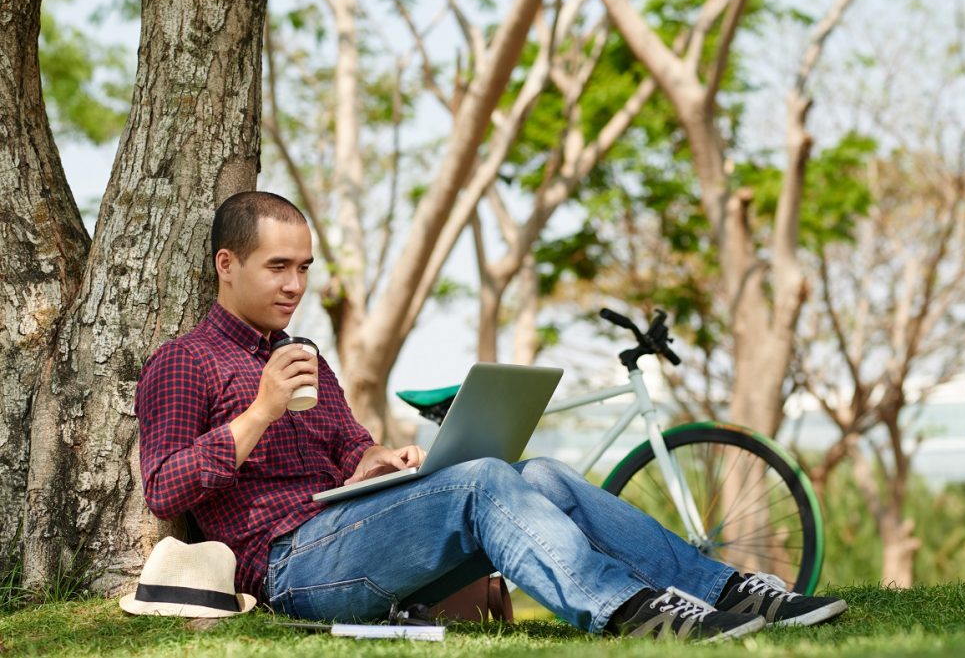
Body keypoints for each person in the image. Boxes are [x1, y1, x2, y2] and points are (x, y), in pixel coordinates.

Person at [135, 191, 847, 642]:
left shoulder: (304, 356)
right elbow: (165, 487)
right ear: (227, 264)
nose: (295, 284)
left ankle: (729, 590)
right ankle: (637, 612)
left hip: (350, 528)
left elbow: (352, 446)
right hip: (289, 567)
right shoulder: (184, 362)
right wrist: (259, 410)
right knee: (480, 480)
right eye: (277, 267)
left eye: (305, 268)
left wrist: (380, 460)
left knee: (537, 471)